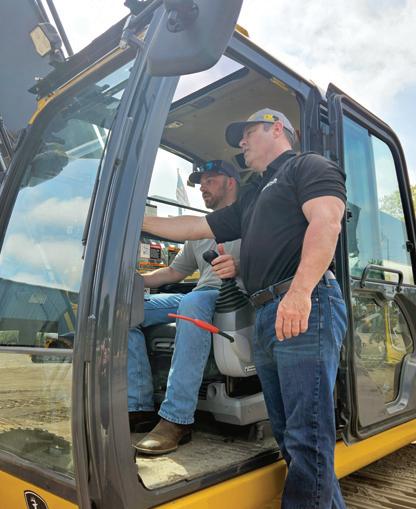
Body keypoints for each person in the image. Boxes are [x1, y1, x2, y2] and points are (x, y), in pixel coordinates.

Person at [141, 109, 348, 508]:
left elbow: (327, 223)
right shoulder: (253, 196)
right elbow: (194, 227)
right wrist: (138, 220)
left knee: (307, 436)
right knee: (290, 435)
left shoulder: (307, 167)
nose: (241, 142)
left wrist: (300, 293)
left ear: (277, 129)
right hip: (266, 311)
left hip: (303, 304)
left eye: (248, 132)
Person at [129, 160, 242, 455]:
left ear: (231, 181)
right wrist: (134, 281)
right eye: (200, 183)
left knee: (193, 301)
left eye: (210, 180)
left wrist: (239, 267)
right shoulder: (199, 230)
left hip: (235, 297)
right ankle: (139, 406)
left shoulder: (250, 219)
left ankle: (176, 419)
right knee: (124, 311)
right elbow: (173, 272)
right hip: (199, 296)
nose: (202, 187)